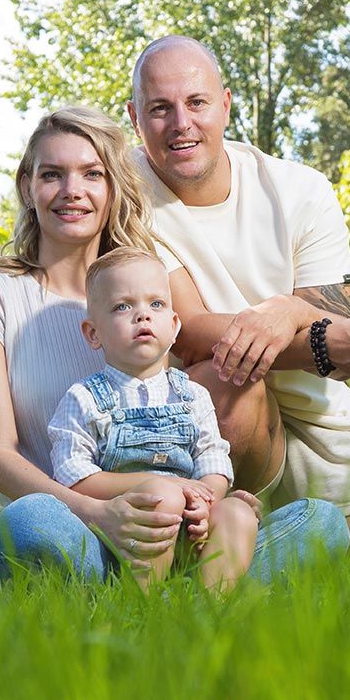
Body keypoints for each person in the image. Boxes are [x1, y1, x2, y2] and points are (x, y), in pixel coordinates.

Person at [0, 105, 348, 583]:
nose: (73, 191)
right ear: (27, 185)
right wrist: (98, 515)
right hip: (69, 531)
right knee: (30, 523)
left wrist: (209, 499)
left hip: (167, 528)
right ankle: (135, 600)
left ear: (112, 187)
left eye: (92, 174)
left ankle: (190, 602)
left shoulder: (148, 287)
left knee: (321, 523)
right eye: (52, 175)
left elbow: (190, 390)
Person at [126, 35, 350, 571]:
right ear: (135, 117)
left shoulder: (299, 189)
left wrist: (289, 312)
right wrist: (323, 341)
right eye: (160, 109)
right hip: (209, 419)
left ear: (225, 104)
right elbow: (191, 330)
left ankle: (268, 559)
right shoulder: (125, 192)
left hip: (318, 415)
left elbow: (333, 308)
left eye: (196, 103)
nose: (181, 123)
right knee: (227, 381)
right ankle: (210, 552)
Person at [48, 246, 258, 591]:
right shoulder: (85, 398)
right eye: (122, 306)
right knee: (162, 496)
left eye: (156, 304)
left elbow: (213, 460)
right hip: (124, 535)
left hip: (192, 533)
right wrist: (168, 486)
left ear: (174, 326)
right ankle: (141, 604)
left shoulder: (191, 395)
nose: (142, 315)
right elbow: (75, 478)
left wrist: (207, 502)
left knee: (238, 512)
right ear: (93, 333)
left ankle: (213, 612)